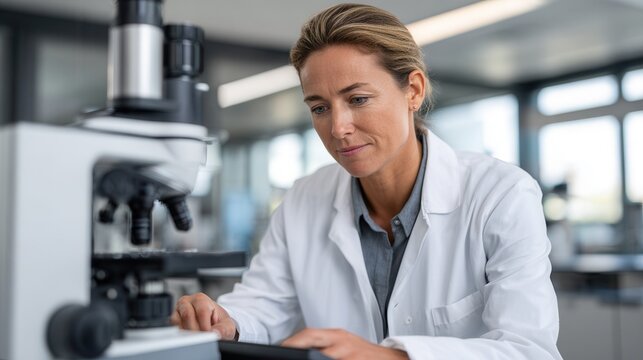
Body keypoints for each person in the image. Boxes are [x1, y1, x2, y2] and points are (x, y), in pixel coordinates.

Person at [171, 4, 562, 359]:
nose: (338, 127)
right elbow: (265, 305)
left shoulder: (500, 195)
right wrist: (228, 320)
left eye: (357, 99)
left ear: (413, 90)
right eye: (320, 107)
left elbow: (529, 349)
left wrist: (392, 357)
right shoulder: (304, 200)